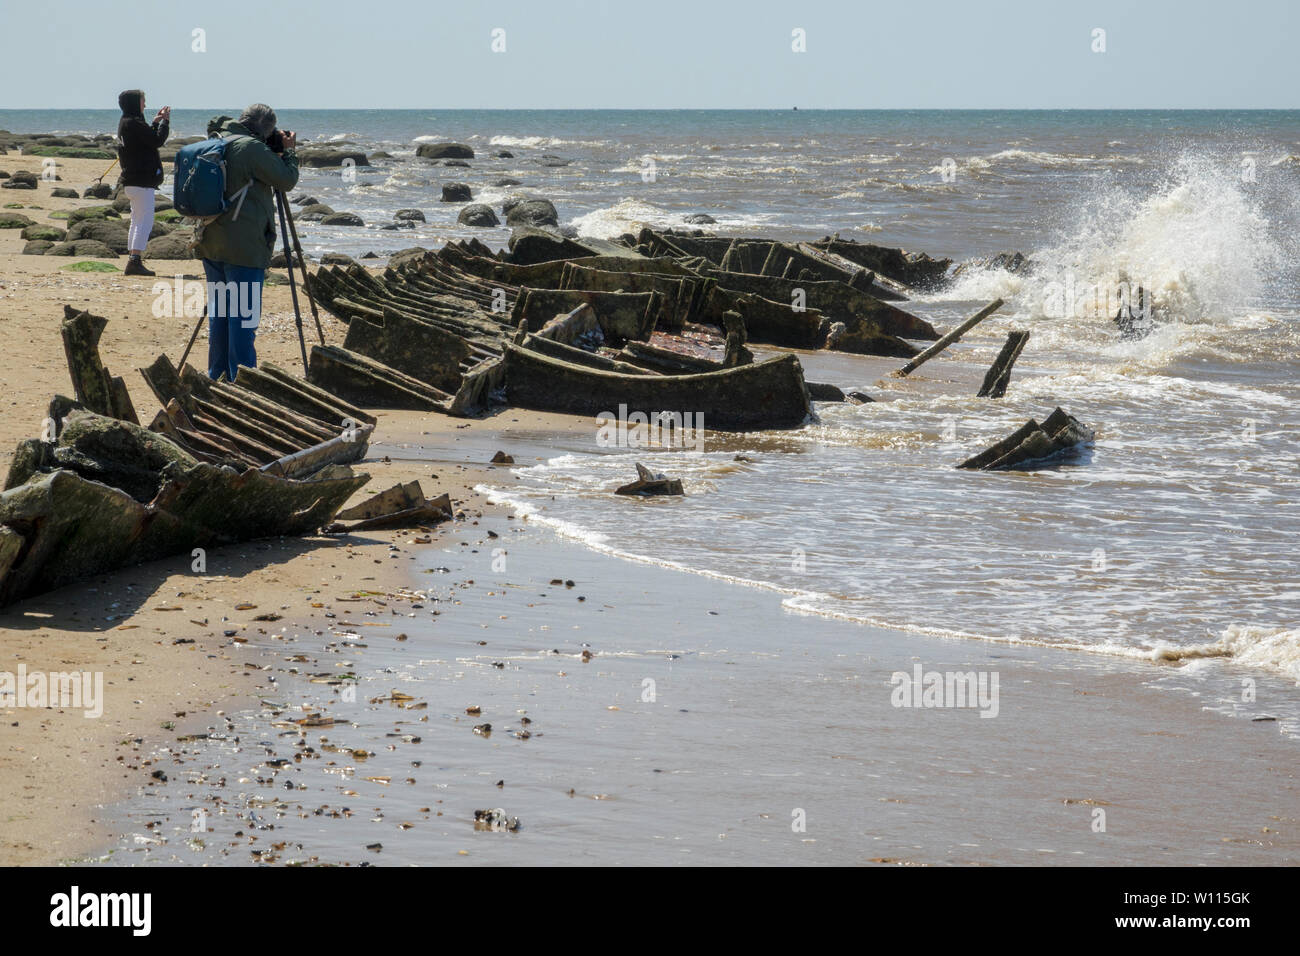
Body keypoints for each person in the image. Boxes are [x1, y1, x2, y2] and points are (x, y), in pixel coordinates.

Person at [194, 104, 299, 382]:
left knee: (221, 314)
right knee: (243, 318)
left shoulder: (217, 140)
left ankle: (217, 375)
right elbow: (286, 180)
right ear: (266, 129)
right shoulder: (251, 149)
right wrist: (289, 152)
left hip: (212, 241)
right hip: (244, 247)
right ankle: (242, 380)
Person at [116, 89, 169, 277]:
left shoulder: (126, 122)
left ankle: (133, 257)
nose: (145, 104)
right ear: (134, 102)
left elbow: (146, 140)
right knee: (144, 221)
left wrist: (155, 122)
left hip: (132, 180)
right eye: (142, 100)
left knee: (136, 220)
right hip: (141, 180)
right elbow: (156, 141)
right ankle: (135, 261)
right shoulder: (135, 123)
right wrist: (165, 122)